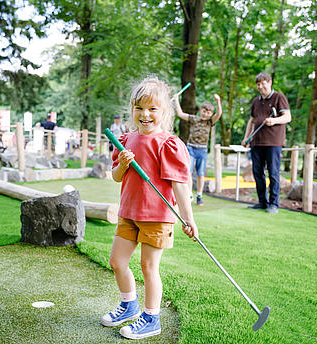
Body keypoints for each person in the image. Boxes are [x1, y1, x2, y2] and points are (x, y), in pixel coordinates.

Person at [101, 77, 198, 340]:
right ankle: (128, 304)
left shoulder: (168, 143)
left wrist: (189, 219)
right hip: (129, 212)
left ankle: (151, 318)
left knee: (148, 266)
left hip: (157, 216)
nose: (145, 114)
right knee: (117, 262)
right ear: (132, 110)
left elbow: (180, 185)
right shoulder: (126, 139)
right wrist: (122, 163)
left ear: (164, 112)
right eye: (140, 108)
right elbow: (117, 176)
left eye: (153, 108)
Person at [241, 72, 291, 214]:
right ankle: (262, 202)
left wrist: (274, 120)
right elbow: (251, 121)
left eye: (263, 83)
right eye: (258, 84)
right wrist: (247, 137)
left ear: (270, 82)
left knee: (273, 173)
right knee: (257, 173)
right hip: (256, 143)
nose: (260, 86)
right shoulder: (256, 102)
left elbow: (287, 117)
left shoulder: (279, 97)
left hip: (273, 143)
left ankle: (274, 203)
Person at [173, 92, 222, 206]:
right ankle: (189, 193)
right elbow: (180, 114)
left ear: (211, 114)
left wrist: (218, 101)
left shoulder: (210, 122)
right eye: (204, 111)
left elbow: (219, 114)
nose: (205, 114)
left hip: (202, 150)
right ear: (201, 110)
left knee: (200, 174)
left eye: (208, 112)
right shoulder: (194, 119)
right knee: (188, 171)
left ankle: (199, 195)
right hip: (191, 148)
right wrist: (176, 99)